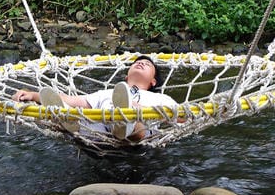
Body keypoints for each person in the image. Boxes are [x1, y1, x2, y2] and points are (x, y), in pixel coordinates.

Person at [13, 55, 178, 142]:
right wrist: (34, 95)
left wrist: (139, 109)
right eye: (136, 63)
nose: (140, 63)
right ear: (127, 77)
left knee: (135, 121)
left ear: (153, 81)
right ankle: (68, 120)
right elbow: (74, 100)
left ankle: (125, 121)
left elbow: (183, 117)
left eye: (147, 64)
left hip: (138, 135)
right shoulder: (109, 93)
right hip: (100, 132)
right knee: (72, 112)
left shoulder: (160, 98)